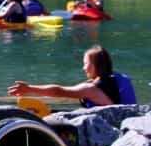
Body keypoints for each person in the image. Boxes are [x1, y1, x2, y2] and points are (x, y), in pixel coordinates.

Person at [9, 45, 137, 108]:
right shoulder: (119, 77)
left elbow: (59, 91)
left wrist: (29, 88)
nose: (83, 68)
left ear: (97, 66)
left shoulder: (91, 89)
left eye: (86, 64)